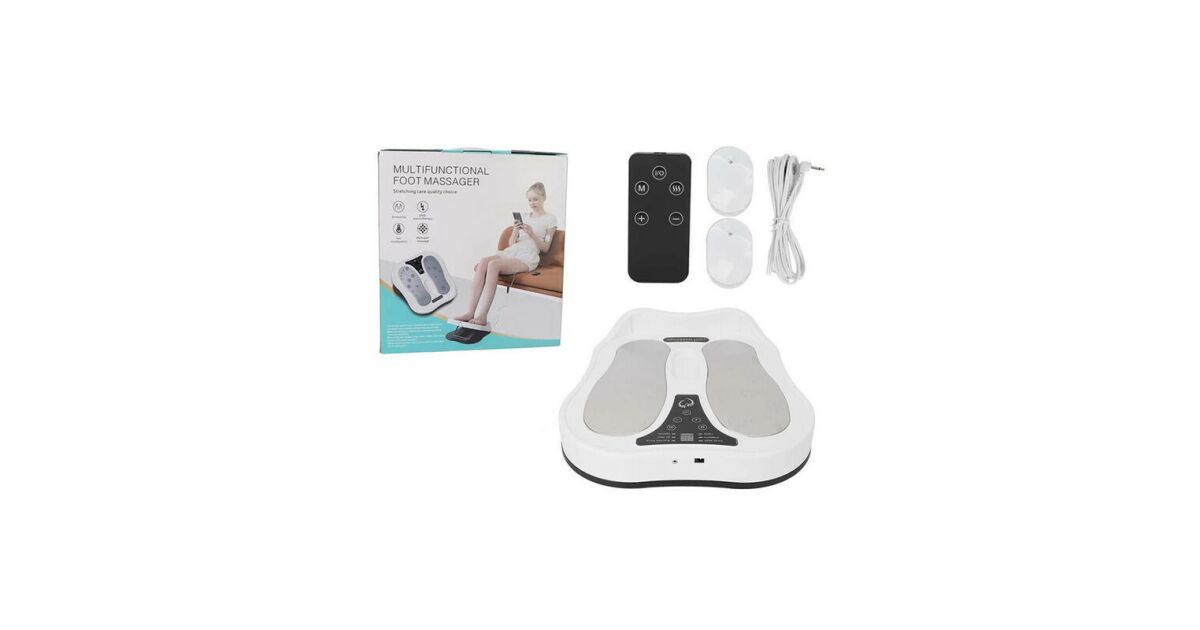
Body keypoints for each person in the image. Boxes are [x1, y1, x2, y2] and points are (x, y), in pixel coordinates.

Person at [454, 182, 557, 327]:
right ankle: (469, 312)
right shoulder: (524, 216)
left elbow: (545, 248)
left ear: (544, 197)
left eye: (536, 199)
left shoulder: (550, 219)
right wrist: (515, 230)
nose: (532, 203)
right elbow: (511, 243)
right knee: (483, 262)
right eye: (529, 200)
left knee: (493, 265)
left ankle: (482, 316)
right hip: (514, 251)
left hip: (528, 256)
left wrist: (532, 234)